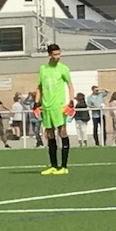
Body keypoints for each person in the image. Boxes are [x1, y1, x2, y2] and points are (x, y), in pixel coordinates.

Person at [38, 44, 75, 175]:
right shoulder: (43, 69)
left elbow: (70, 85)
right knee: (49, 135)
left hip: (59, 106)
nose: (58, 57)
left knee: (62, 132)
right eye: (55, 54)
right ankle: (53, 165)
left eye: (59, 54)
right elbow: (40, 87)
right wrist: (37, 103)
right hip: (46, 107)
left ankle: (64, 166)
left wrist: (71, 101)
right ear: (49, 55)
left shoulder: (63, 68)